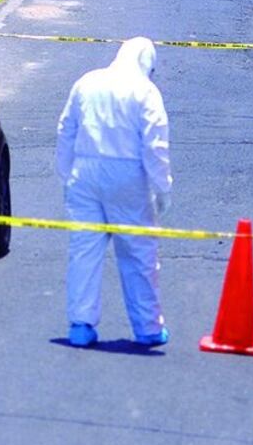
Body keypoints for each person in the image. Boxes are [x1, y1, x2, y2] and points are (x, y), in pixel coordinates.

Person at [56, 38, 172, 348]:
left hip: (85, 173)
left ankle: (80, 324)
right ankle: (147, 327)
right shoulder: (145, 91)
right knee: (138, 253)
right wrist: (162, 186)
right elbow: (154, 144)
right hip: (127, 176)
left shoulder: (87, 82)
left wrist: (67, 175)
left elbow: (66, 129)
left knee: (84, 252)